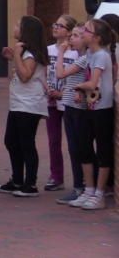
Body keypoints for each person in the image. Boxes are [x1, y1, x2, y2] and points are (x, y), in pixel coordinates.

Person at [62, 19, 115, 210]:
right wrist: (80, 90)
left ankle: (99, 193)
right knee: (84, 147)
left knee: (102, 150)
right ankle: (89, 189)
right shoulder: (90, 55)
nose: (83, 32)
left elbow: (92, 83)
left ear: (97, 37)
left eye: (87, 30)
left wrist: (78, 86)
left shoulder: (101, 55)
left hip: (102, 108)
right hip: (89, 107)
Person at [0, 15, 49, 197]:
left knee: (26, 142)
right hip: (19, 103)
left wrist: (17, 55)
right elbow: (20, 74)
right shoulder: (25, 52)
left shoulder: (30, 54)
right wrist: (14, 58)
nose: (15, 27)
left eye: (18, 25)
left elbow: (25, 75)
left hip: (29, 104)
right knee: (11, 140)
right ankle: (17, 179)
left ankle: (30, 183)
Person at [52, 22, 95, 204]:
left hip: (78, 109)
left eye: (76, 36)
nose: (72, 39)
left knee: (78, 148)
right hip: (69, 105)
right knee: (73, 147)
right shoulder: (82, 58)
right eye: (73, 36)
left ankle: (81, 186)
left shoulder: (84, 59)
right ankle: (81, 185)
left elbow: (60, 73)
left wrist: (61, 53)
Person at [44, 15, 78, 192]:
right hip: (51, 99)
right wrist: (47, 90)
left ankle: (80, 180)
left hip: (69, 99)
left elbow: (78, 76)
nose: (55, 28)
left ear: (70, 31)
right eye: (54, 24)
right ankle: (56, 176)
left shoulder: (75, 52)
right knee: (53, 140)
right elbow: (43, 72)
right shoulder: (48, 50)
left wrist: (62, 93)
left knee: (75, 140)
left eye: (60, 25)